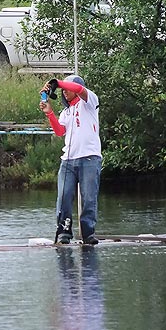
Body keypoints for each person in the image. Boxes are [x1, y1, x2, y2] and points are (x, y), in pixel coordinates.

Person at [38, 75, 102, 245]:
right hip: (68, 160)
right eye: (63, 90)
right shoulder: (66, 112)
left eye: (67, 89)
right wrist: (49, 113)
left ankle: (88, 233)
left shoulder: (89, 102)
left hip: (89, 158)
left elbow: (79, 90)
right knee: (64, 196)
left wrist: (57, 83)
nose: (65, 92)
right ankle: (64, 231)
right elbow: (60, 131)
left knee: (89, 198)